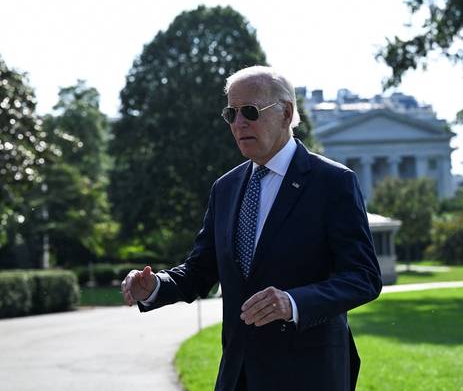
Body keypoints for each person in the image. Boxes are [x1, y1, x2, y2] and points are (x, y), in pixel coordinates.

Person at [121, 66, 382, 391]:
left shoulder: (333, 182)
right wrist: (155, 286)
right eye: (231, 113)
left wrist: (293, 303)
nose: (239, 123)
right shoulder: (226, 187)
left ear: (286, 113)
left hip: (310, 374)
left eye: (250, 111)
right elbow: (200, 270)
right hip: (238, 374)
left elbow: (363, 277)